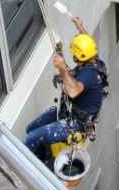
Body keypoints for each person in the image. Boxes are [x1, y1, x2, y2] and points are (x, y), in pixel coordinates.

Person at [25, 16, 107, 165]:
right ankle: (42, 155)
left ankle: (31, 166)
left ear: (77, 56)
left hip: (77, 124)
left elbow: (73, 91)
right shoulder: (94, 60)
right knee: (31, 129)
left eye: (74, 53)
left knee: (31, 139)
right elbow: (88, 43)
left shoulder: (88, 75)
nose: (73, 54)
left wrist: (62, 68)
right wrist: (80, 27)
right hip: (68, 111)